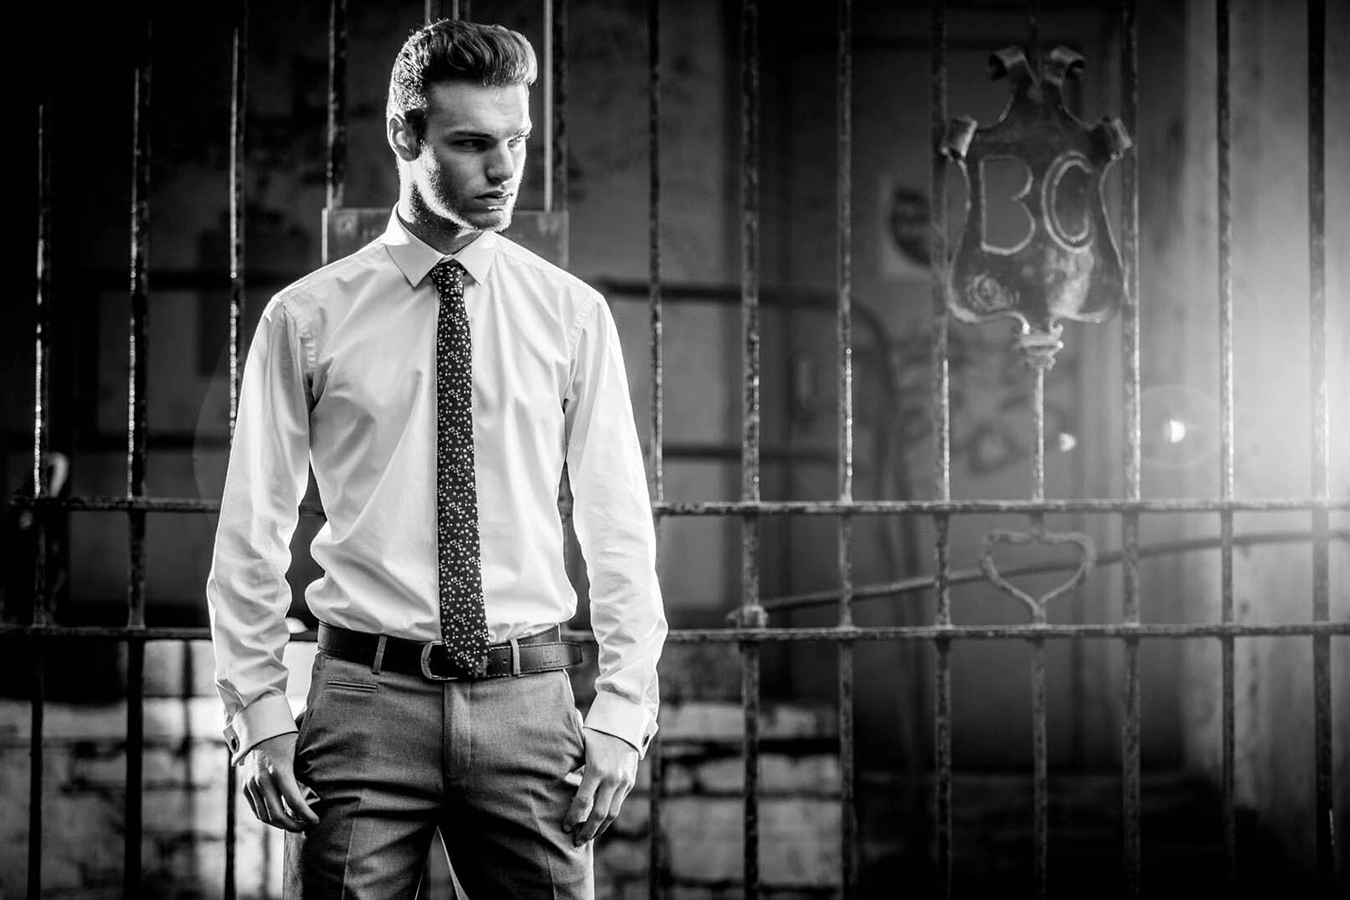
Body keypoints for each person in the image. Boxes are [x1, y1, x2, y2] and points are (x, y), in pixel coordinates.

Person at [205, 18, 666, 898]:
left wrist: (624, 709)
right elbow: (250, 533)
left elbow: (618, 527)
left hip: (530, 706)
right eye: (470, 144)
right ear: (404, 136)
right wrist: (259, 714)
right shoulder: (307, 319)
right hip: (363, 704)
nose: (504, 170)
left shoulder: (570, 315)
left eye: (517, 141)